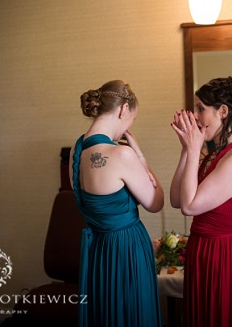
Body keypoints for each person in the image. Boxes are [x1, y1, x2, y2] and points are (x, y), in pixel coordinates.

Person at [170, 76, 232, 326]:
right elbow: (177, 199)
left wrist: (193, 150)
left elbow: (189, 207)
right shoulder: (215, 155)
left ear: (223, 111)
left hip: (225, 258)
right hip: (204, 253)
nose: (195, 116)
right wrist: (185, 150)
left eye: (200, 108)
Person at [70, 80, 163, 326]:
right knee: (131, 313)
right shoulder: (122, 154)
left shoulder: (76, 151)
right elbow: (156, 203)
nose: (128, 127)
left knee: (106, 313)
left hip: (98, 249)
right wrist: (140, 155)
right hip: (127, 249)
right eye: (131, 119)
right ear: (123, 109)